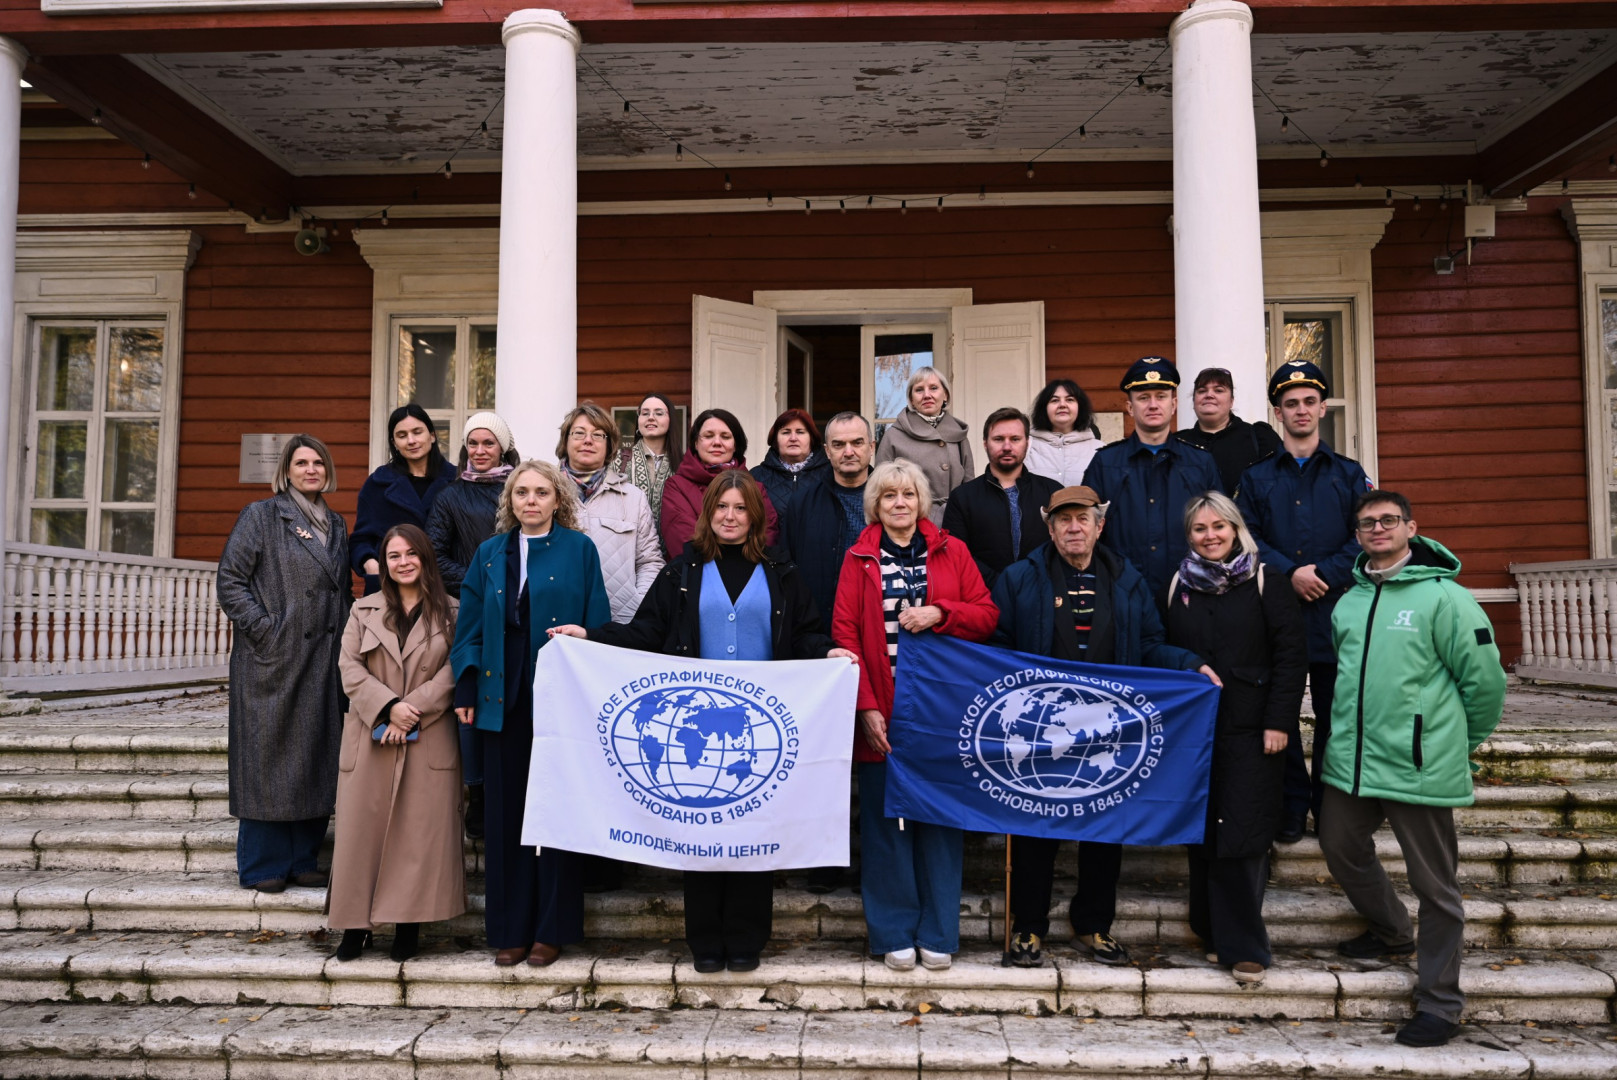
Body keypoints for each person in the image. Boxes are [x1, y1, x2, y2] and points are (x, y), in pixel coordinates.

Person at [553, 470, 856, 974]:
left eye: (740, 509)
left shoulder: (781, 570)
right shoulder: (683, 571)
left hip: (756, 729)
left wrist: (828, 651)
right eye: (721, 509)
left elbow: (804, 633)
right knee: (702, 827)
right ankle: (705, 941)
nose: (730, 517)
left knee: (754, 830)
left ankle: (746, 938)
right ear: (708, 514)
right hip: (697, 724)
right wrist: (591, 637)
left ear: (754, 516)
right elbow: (648, 630)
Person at [990, 485, 1217, 968]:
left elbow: (1152, 643)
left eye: (1083, 519)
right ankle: (1028, 927)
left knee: (1104, 831)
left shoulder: (1127, 580)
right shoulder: (1018, 579)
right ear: (1049, 528)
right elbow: (998, 648)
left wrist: (1191, 665)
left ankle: (1093, 925)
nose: (1074, 528)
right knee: (1033, 830)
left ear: (1100, 525)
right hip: (1040, 731)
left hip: (1108, 732)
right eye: (1064, 520)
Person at [1318, 490, 1505, 1049]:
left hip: (1418, 764)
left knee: (1436, 887)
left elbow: (1486, 682)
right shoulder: (1349, 601)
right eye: (1367, 523)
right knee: (1339, 846)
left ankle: (1441, 1003)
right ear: (1357, 534)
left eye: (1388, 521)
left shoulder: (1445, 598)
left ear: (1410, 528)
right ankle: (1392, 931)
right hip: (1352, 762)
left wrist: (1455, 742)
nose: (1377, 529)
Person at [831, 459, 998, 972]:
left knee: (940, 827)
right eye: (888, 496)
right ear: (876, 505)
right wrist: (865, 708)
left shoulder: (953, 551)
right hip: (883, 710)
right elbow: (845, 638)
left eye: (908, 494)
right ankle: (893, 931)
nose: (899, 503)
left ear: (921, 502)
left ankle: (938, 932)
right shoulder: (858, 557)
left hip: (942, 714)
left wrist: (942, 612)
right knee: (887, 830)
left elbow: (987, 615)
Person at [449, 461, 612, 967]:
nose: (532, 501)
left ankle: (552, 929)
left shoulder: (579, 549)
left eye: (542, 492)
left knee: (557, 813)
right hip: (503, 692)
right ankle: (509, 929)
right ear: (510, 500)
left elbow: (598, 620)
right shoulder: (489, 553)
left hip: (561, 694)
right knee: (505, 816)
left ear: (557, 499)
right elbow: (470, 627)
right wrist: (468, 685)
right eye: (522, 492)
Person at [1163, 493, 1306, 985]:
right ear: (1189, 536)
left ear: (1236, 528)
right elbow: (1161, 646)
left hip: (1252, 726)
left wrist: (1279, 722)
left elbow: (1290, 657)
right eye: (1200, 529)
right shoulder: (1179, 583)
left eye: (1219, 526)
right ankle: (1208, 931)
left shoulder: (1269, 581)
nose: (1210, 536)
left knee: (1242, 832)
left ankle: (1245, 946)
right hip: (1194, 730)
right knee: (1202, 830)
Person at [1235, 360, 1373, 841]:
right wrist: (1291, 574)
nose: (1300, 410)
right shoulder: (1255, 478)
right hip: (1278, 612)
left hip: (1337, 614)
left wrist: (1324, 575)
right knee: (1282, 716)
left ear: (1322, 407)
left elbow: (1367, 535)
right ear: (1277, 412)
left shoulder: (1350, 475)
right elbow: (1245, 536)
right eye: (1290, 403)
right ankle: (1292, 806)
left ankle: (1329, 808)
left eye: (1309, 401)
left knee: (1338, 717)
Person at [216, 434, 350, 894]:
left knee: (314, 756)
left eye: (318, 462)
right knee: (269, 760)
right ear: (287, 471)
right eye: (301, 463)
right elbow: (231, 580)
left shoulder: (336, 523)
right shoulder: (263, 515)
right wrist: (264, 629)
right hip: (272, 659)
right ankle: (262, 864)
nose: (311, 469)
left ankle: (302, 859)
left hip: (322, 659)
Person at [331, 524, 464, 963]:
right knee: (358, 836)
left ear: (425, 558)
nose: (403, 562)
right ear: (384, 564)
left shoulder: (453, 612)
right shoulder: (362, 610)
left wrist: (411, 710)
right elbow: (348, 667)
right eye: (393, 555)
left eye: (411, 554)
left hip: (427, 736)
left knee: (418, 837)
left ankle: (409, 925)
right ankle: (354, 926)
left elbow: (453, 671)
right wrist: (388, 707)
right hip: (371, 736)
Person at [779, 411, 876, 895]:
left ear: (872, 446)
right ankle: (824, 861)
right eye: (838, 444)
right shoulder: (804, 500)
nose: (848, 452)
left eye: (857, 442)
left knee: (873, 749)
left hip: (879, 638)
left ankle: (872, 859)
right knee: (823, 754)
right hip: (820, 641)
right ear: (827, 451)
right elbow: (787, 568)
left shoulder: (888, 496)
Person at [427, 410, 520, 843]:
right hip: (467, 608)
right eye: (473, 444)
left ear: (503, 446)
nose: (480, 451)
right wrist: (479, 581)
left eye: (489, 443)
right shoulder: (450, 496)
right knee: (470, 698)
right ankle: (477, 792)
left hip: (518, 607)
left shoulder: (518, 489)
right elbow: (434, 552)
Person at [1081, 357, 1221, 608]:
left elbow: (1221, 531)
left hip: (1191, 595)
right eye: (1143, 398)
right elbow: (1089, 532)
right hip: (1122, 596)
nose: (1153, 404)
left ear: (1174, 404)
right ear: (1130, 407)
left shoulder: (1200, 463)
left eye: (1161, 396)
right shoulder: (1105, 463)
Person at [557, 402, 663, 623]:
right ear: (565, 441)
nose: (588, 440)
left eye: (598, 435)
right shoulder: (545, 494)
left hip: (619, 624)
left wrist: (638, 606)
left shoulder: (633, 499)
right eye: (579, 433)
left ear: (610, 445)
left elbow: (649, 561)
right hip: (556, 620)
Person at [941, 407, 1062, 589]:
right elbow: (955, 554)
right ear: (985, 443)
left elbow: (1064, 546)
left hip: (1043, 595)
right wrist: (1001, 584)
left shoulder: (1053, 493)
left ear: (1027, 443)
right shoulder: (963, 498)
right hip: (985, 599)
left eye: (1015, 439)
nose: (1007, 447)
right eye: (998, 439)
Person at [350, 403, 458, 595]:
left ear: (432, 436)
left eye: (417, 432)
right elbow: (360, 541)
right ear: (394, 443)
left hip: (444, 591)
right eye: (402, 435)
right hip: (391, 589)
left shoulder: (457, 481)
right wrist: (372, 567)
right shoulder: (377, 485)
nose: (411, 440)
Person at [660, 408, 778, 556]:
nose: (717, 442)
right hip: (697, 574)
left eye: (725, 437)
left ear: (735, 445)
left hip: (750, 572)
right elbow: (683, 540)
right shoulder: (676, 487)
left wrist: (741, 567)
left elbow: (767, 534)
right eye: (708, 436)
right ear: (696, 443)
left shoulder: (756, 488)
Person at [872, 366, 973, 524]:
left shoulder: (958, 434)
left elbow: (969, 486)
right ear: (911, 399)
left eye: (934, 388)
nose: (927, 395)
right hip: (911, 524)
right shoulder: (893, 436)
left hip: (956, 521)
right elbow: (880, 488)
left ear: (945, 394)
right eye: (919, 390)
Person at [1172, 368, 1281, 496]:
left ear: (1231, 401)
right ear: (1194, 401)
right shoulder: (1176, 444)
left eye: (1218, 390)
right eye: (1202, 391)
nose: (1209, 395)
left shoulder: (1259, 438)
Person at [751, 408, 829, 518]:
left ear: (811, 439)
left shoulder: (831, 474)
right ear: (776, 440)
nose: (793, 438)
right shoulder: (755, 476)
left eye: (800, 432)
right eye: (786, 432)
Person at [618, 392, 682, 526]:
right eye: (645, 413)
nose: (651, 418)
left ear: (670, 419)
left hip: (673, 545)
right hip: (630, 543)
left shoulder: (684, 464)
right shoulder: (618, 460)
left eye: (659, 413)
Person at [1026, 379, 1103, 487]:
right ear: (1044, 408)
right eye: (1054, 400)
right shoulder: (1026, 447)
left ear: (1080, 407)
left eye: (1070, 399)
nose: (1062, 405)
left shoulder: (1099, 450)